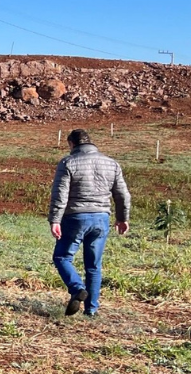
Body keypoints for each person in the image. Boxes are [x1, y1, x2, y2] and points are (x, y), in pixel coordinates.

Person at [48, 128, 130, 316]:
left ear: (72, 144)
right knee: (93, 266)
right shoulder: (112, 164)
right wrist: (122, 218)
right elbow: (122, 195)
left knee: (62, 257)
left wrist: (55, 219)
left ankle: (77, 288)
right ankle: (91, 310)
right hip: (101, 218)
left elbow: (60, 195)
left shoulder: (68, 162)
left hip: (75, 217)